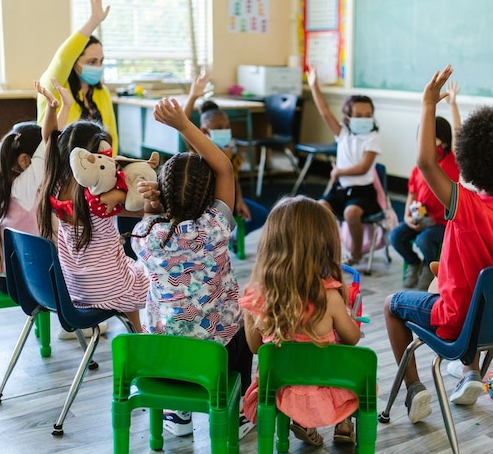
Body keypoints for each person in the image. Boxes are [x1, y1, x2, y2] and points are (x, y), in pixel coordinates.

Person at [384, 65, 493, 423]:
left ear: (468, 160)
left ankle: (414, 390)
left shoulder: (467, 207)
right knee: (467, 292)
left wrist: (428, 104)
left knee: (392, 305)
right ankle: (471, 374)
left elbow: (426, 162)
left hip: (458, 323)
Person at [129, 98, 253, 439]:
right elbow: (224, 168)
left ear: (162, 195)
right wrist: (184, 124)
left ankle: (179, 414)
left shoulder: (146, 236)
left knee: (173, 325)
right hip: (218, 352)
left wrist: (153, 205)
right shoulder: (216, 227)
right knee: (237, 322)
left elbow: (151, 218)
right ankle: (238, 411)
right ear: (210, 196)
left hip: (166, 356)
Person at [240, 195, 362, 447]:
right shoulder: (329, 296)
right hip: (324, 387)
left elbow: (254, 348)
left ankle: (305, 422)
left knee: (294, 362)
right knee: (353, 367)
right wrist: (348, 316)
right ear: (322, 246)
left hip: (277, 388)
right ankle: (343, 423)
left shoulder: (253, 295)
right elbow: (352, 339)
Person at [36, 117, 147, 334]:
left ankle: (137, 330)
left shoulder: (54, 186)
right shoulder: (99, 195)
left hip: (74, 288)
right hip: (105, 289)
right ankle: (140, 334)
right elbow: (144, 208)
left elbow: (47, 137)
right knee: (154, 274)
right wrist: (122, 193)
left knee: (126, 266)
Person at [0, 79, 72, 294]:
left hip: (5, 275)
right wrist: (54, 108)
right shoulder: (25, 185)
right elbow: (50, 140)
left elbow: (50, 139)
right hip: (17, 278)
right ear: (25, 160)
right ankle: (77, 325)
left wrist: (65, 107)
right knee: (78, 273)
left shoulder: (7, 179)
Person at [306, 66, 382, 265]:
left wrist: (338, 171)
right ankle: (327, 249)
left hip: (363, 192)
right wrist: (314, 85)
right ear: (348, 118)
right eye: (359, 115)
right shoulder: (343, 134)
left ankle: (356, 253)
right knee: (320, 208)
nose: (364, 119)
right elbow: (324, 112)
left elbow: (364, 168)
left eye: (368, 115)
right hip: (341, 190)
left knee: (351, 213)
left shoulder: (372, 138)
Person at [390, 81, 462, 289]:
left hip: (441, 224)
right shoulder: (417, 168)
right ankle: (415, 263)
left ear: (446, 143)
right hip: (419, 220)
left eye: (436, 140)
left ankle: (430, 269)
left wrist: (453, 105)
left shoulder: (451, 163)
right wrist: (406, 217)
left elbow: (458, 132)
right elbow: (412, 195)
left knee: (424, 241)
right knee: (396, 236)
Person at [182, 75, 269, 237]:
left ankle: (232, 239)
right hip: (202, 204)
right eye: (219, 127)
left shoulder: (230, 150)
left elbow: (233, 178)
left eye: (227, 127)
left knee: (262, 215)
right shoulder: (199, 149)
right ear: (204, 131)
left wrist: (240, 200)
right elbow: (182, 123)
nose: (225, 130)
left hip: (227, 201)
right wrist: (193, 96)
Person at [37, 0, 118, 155]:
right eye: (91, 61)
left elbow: (112, 139)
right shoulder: (55, 87)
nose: (98, 67)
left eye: (101, 61)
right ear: (74, 63)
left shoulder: (101, 93)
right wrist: (93, 21)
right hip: (62, 168)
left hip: (98, 171)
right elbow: (62, 59)